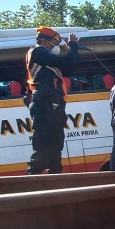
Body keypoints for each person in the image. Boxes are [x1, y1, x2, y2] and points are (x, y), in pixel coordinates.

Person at [26, 26, 80, 174]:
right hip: (45, 106)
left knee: (56, 150)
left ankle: (56, 187)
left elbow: (69, 66)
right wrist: (73, 46)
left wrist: (72, 50)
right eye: (52, 44)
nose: (55, 47)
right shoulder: (37, 52)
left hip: (53, 107)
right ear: (43, 41)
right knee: (43, 150)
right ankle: (29, 188)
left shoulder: (48, 61)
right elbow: (64, 63)